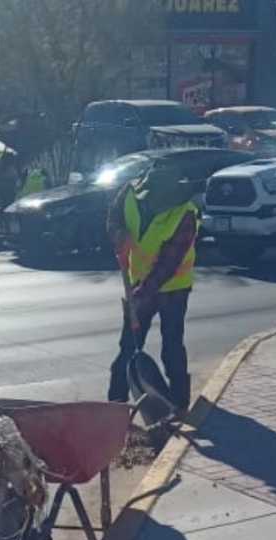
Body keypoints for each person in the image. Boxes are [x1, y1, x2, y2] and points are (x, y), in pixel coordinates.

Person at [106, 160, 199, 415]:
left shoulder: (185, 214)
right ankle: (114, 407)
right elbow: (113, 217)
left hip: (173, 289)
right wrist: (118, 234)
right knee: (128, 348)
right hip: (137, 283)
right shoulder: (130, 194)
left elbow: (168, 265)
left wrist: (141, 294)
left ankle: (179, 404)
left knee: (171, 345)